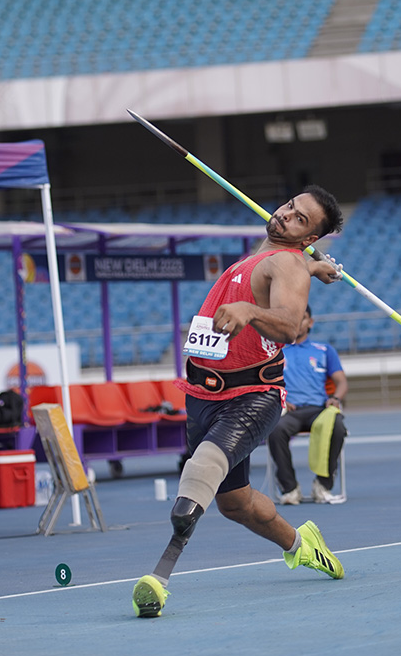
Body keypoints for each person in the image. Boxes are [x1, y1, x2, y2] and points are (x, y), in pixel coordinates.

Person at [131, 187, 349, 618]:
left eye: (300, 219)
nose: (286, 214)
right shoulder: (273, 258)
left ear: (309, 239)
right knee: (236, 504)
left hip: (251, 395)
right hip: (203, 396)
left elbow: (289, 325)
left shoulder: (288, 262)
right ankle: (302, 545)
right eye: (290, 206)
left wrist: (250, 310)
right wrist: (313, 265)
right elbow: (279, 271)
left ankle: (159, 577)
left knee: (201, 471)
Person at [269, 306, 349, 506]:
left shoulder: (324, 351)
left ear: (310, 322)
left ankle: (323, 485)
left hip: (319, 410)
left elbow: (341, 382)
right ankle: (289, 489)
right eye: (292, 317)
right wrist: (280, 398)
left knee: (337, 426)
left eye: (302, 318)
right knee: (275, 430)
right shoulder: (276, 351)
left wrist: (335, 398)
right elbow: (265, 383)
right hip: (290, 411)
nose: (297, 322)